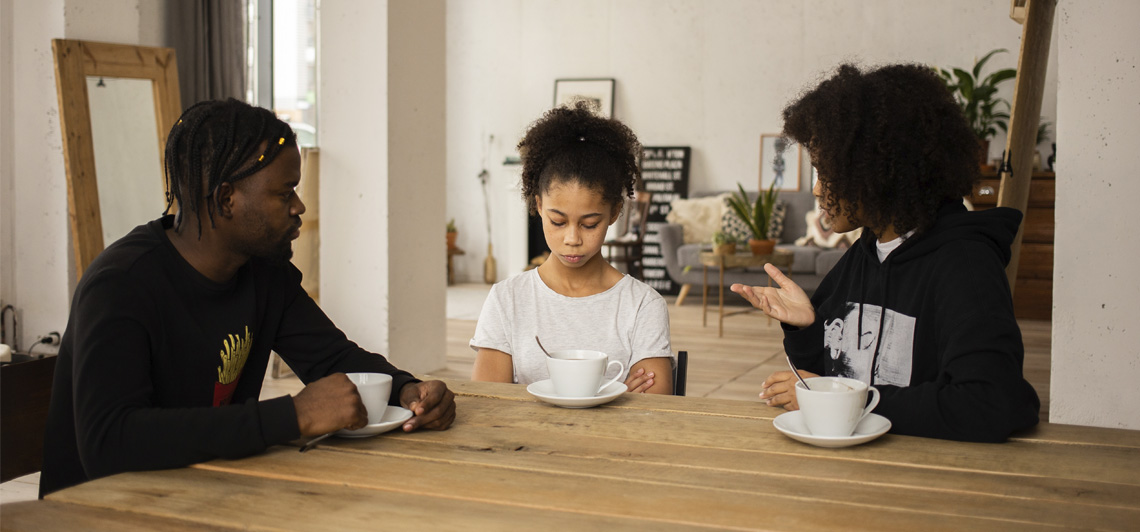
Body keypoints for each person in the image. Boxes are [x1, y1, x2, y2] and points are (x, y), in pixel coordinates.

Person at [39, 99, 456, 497]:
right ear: (226, 200)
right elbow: (109, 442)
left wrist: (407, 390)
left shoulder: (262, 272)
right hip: (100, 512)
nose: (299, 206)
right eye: (284, 193)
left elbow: (330, 357)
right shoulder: (121, 286)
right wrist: (291, 416)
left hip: (208, 491)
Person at [731, 63, 1040, 442]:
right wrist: (806, 327)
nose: (816, 190)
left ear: (877, 172)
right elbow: (828, 374)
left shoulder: (965, 266)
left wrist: (851, 402)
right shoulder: (865, 254)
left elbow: (989, 402)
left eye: (826, 172)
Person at [470, 102, 673, 393]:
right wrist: (614, 393)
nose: (572, 239)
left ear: (615, 212)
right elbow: (489, 403)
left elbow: (654, 412)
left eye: (590, 224)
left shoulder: (642, 305)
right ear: (538, 206)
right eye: (557, 221)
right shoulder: (507, 300)